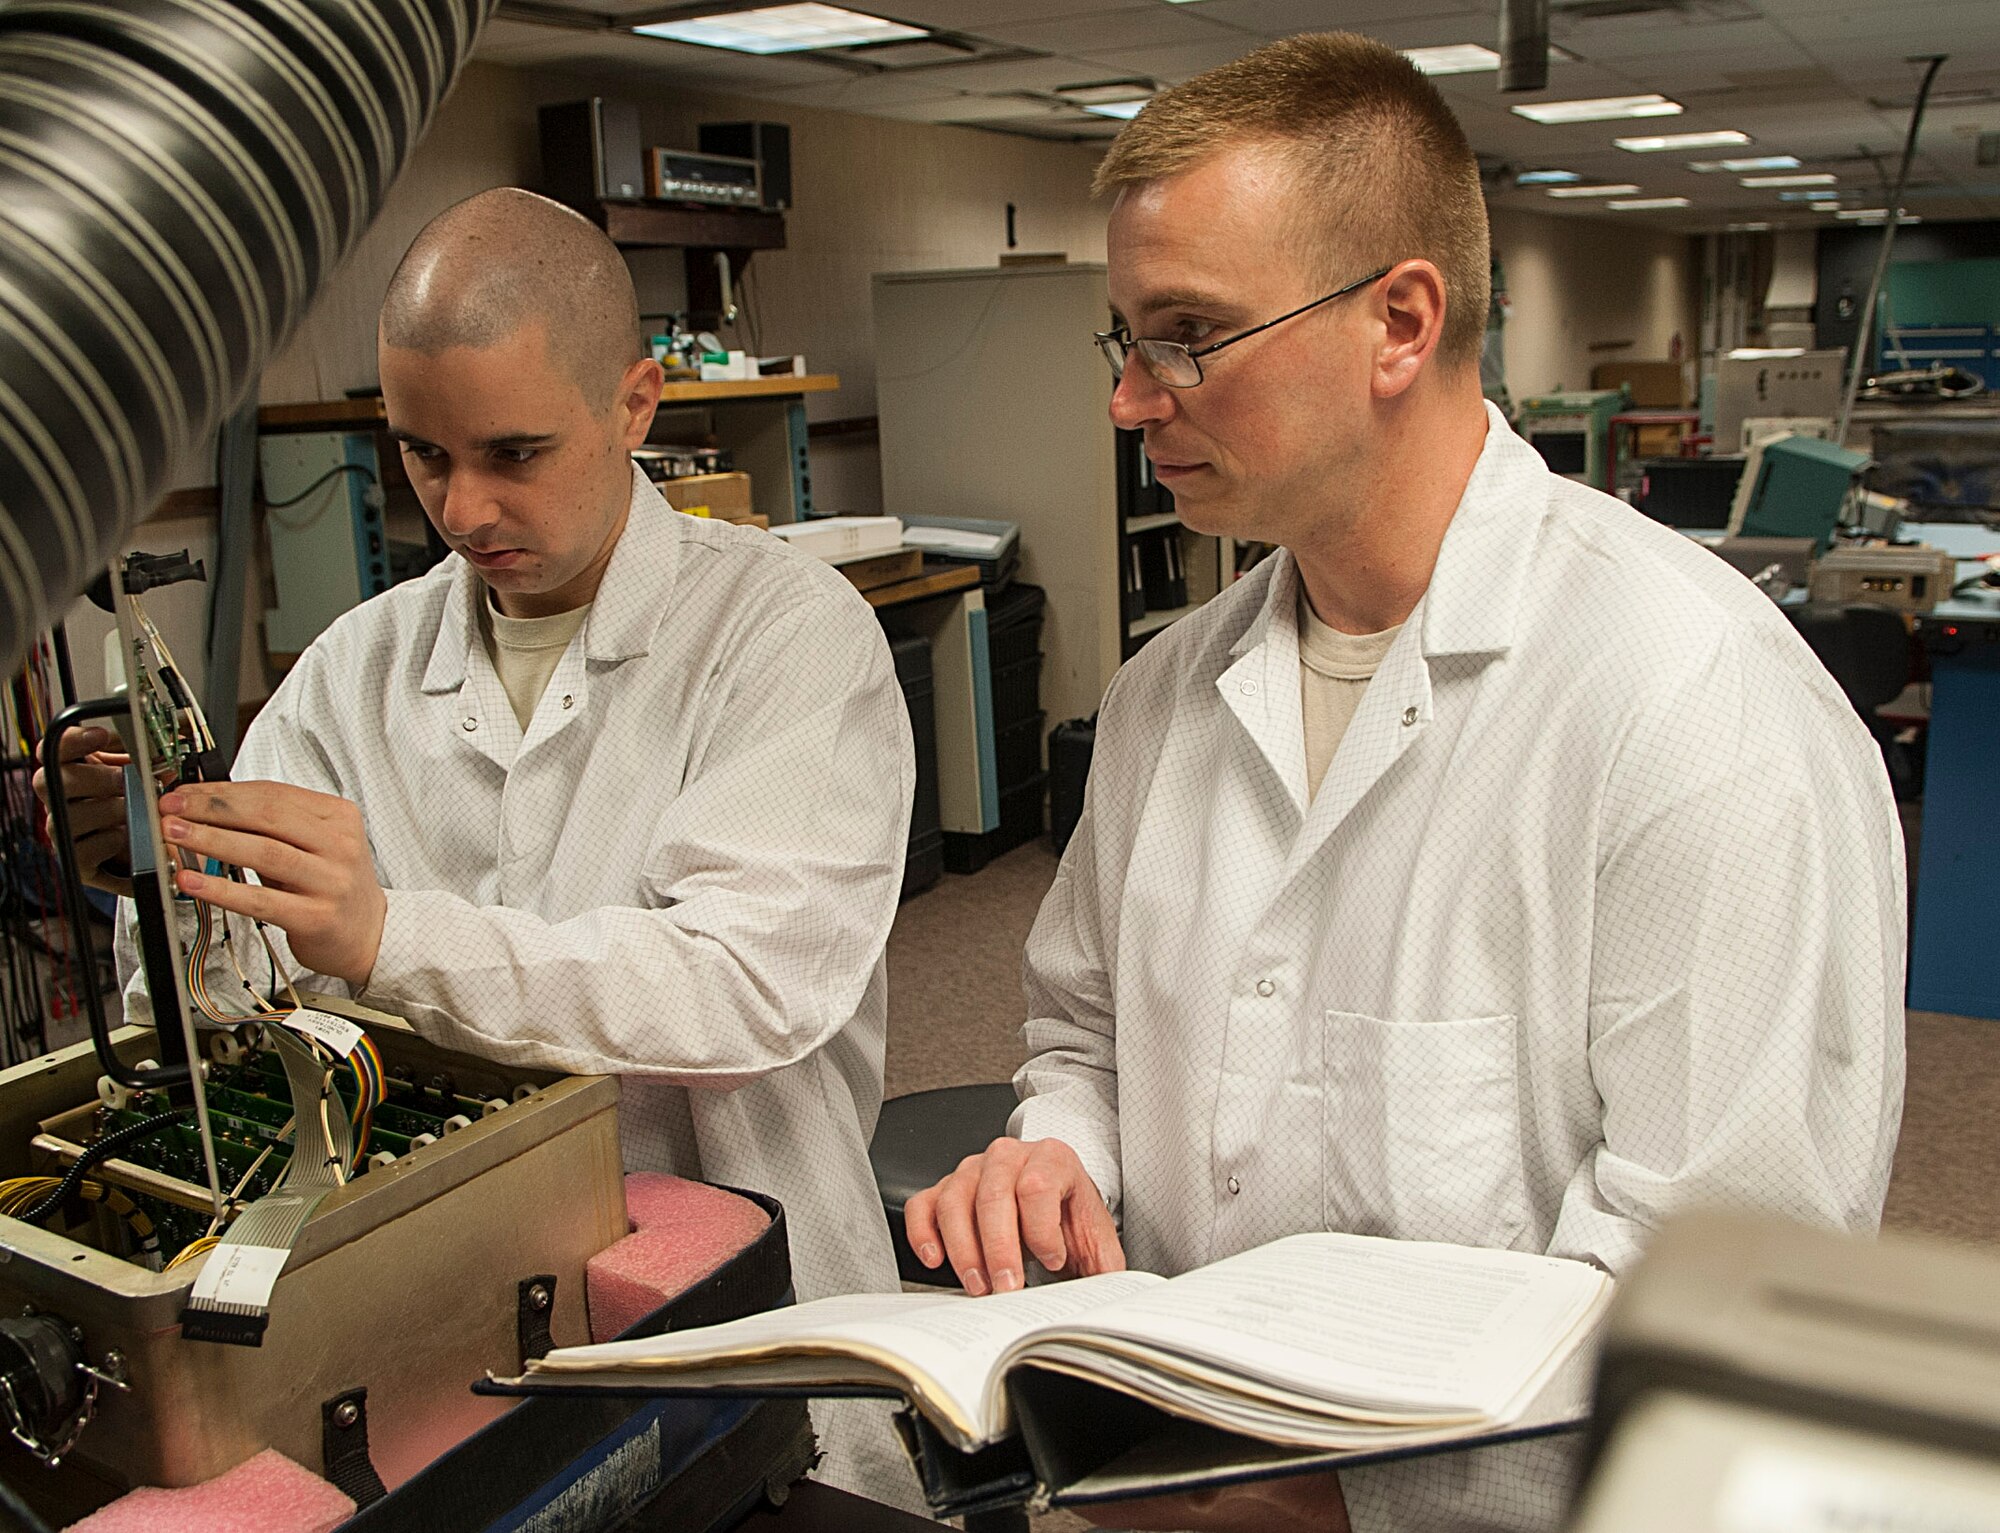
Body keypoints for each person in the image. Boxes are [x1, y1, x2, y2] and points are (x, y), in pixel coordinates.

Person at [905, 32, 1905, 1533]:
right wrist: (1060, 1147)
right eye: (1122, 338)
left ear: (1400, 322)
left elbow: (1735, 1318)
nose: (1131, 400)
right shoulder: (1167, 698)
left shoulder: (1694, 710)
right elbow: (1082, 1030)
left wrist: (1338, 1507)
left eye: (1186, 334)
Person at [40, 187, 918, 1504]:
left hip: (734, 1305)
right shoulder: (354, 670)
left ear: (634, 404)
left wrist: (386, 935)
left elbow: (739, 986)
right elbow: (232, 1014)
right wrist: (163, 890)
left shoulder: (785, 638)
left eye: (514, 451)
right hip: (434, 1327)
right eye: (423, 455)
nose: (462, 506)